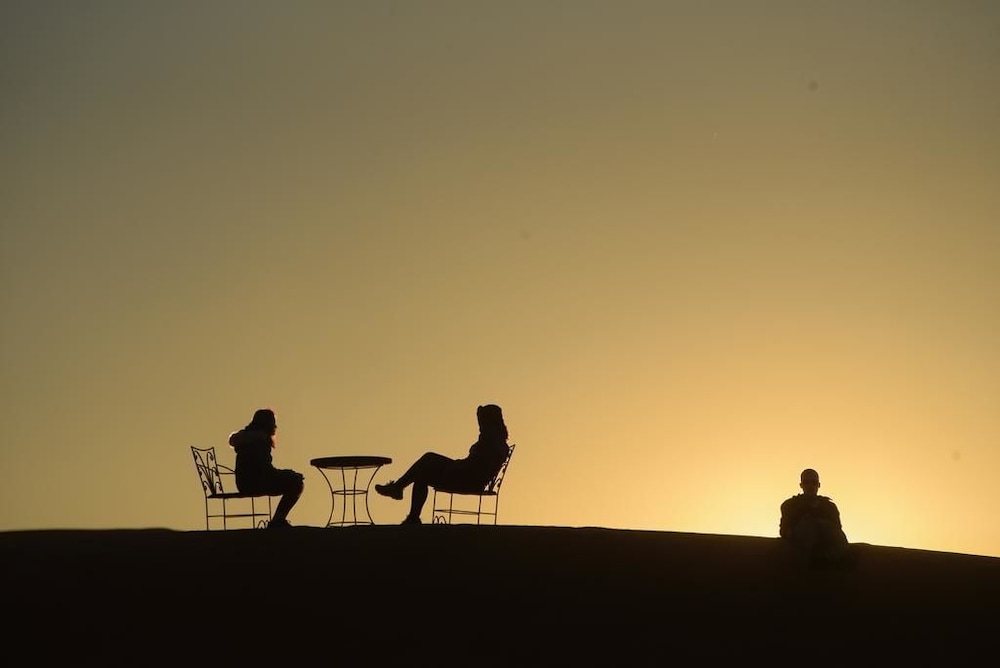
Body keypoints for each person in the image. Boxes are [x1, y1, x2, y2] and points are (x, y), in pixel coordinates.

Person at [375, 404, 511, 525]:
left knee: (424, 470)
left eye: (482, 420)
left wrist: (453, 467)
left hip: (465, 480)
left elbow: (476, 468)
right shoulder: (497, 442)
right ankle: (403, 498)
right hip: (465, 475)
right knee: (428, 460)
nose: (480, 425)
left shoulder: (490, 440)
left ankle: (403, 498)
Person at [228, 408, 304, 530]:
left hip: (243, 483)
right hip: (255, 483)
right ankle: (278, 520)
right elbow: (265, 471)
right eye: (273, 423)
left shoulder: (247, 439)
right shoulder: (260, 441)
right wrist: (289, 474)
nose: (275, 426)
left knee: (292, 478)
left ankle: (278, 520)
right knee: (296, 483)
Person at [779, 468, 850, 567]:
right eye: (806, 482)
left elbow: (837, 531)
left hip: (828, 550)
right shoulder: (790, 505)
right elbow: (784, 530)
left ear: (818, 485)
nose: (810, 486)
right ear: (801, 485)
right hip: (800, 550)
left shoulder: (829, 507)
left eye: (814, 482)